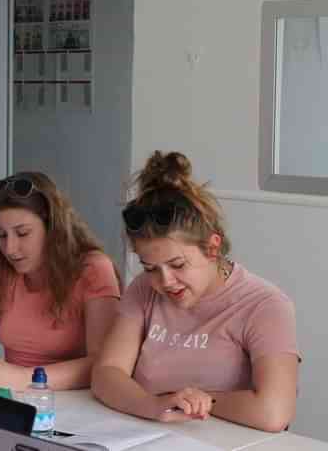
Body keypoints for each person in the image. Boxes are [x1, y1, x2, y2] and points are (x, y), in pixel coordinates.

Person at [92, 151, 299, 432]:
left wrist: (202, 401)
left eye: (177, 264)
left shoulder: (265, 305)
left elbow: (274, 412)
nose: (165, 281)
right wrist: (153, 405)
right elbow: (106, 374)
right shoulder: (143, 289)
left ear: (213, 248)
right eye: (150, 267)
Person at [0, 172, 121, 390]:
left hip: (75, 408)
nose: (10, 249)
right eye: (2, 235)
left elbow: (104, 365)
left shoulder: (93, 268)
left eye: (22, 233)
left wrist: (22, 378)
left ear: (53, 228)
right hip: (17, 402)